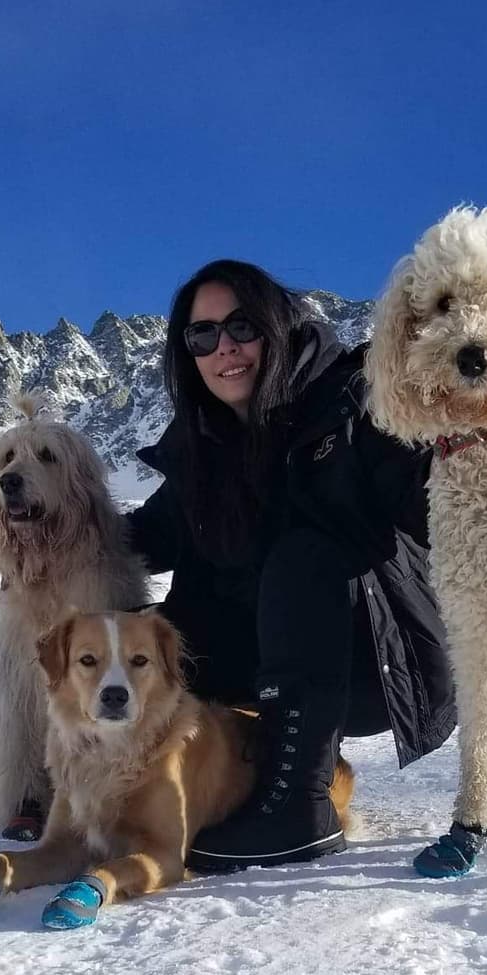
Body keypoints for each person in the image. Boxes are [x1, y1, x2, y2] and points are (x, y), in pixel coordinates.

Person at [124, 259, 456, 870]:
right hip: (265, 661)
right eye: (203, 336)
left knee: (302, 556)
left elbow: (432, 503)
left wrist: (458, 447)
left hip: (372, 664)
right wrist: (42, 531)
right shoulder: (204, 448)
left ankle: (300, 806)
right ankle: (113, 788)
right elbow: (138, 541)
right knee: (129, 632)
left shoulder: (356, 399)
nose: (225, 348)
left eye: (241, 327)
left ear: (276, 326)